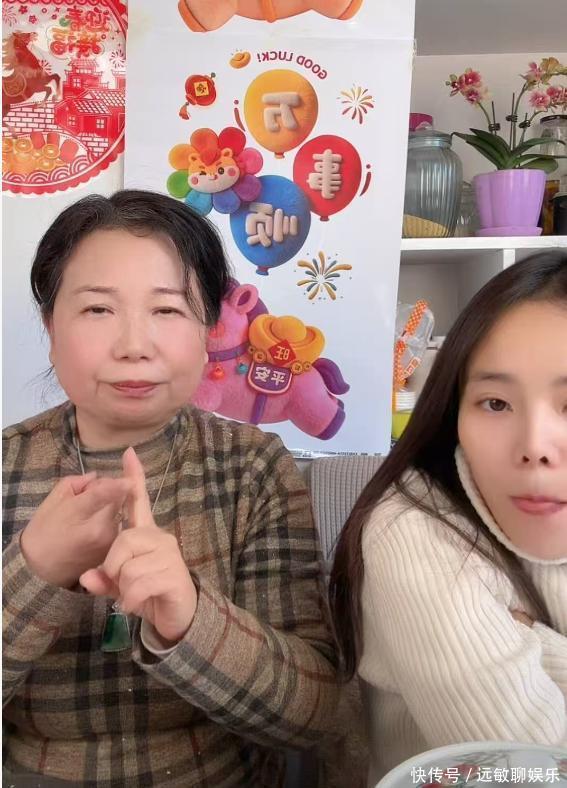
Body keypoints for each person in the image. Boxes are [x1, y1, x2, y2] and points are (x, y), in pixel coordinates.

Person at [2, 189, 340, 787]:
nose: (135, 346)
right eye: (98, 309)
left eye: (167, 309)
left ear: (209, 329)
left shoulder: (254, 467)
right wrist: (34, 570)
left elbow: (313, 713)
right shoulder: (7, 464)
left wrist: (190, 619)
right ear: (51, 328)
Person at [330, 251, 567, 784]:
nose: (535, 445)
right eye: (496, 403)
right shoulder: (412, 530)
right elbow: (532, 768)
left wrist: (541, 648)